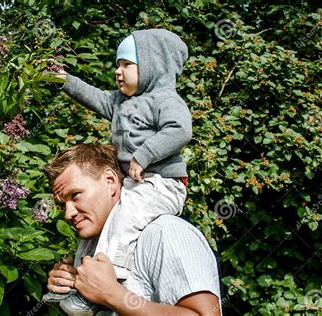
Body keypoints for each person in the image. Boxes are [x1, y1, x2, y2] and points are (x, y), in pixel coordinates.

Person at [53, 28, 192, 281]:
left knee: (126, 220)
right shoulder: (120, 101)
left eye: (127, 64)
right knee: (103, 224)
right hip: (134, 183)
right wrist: (64, 79)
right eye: (118, 65)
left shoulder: (164, 99)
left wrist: (144, 155)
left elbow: (180, 130)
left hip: (162, 183)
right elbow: (93, 95)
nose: (118, 71)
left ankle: (111, 278)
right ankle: (81, 278)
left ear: (153, 67)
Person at [44, 144, 221, 315]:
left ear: (110, 181)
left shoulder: (165, 232)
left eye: (75, 195)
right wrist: (69, 284)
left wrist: (112, 294)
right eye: (62, 205)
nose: (68, 214)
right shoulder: (95, 246)